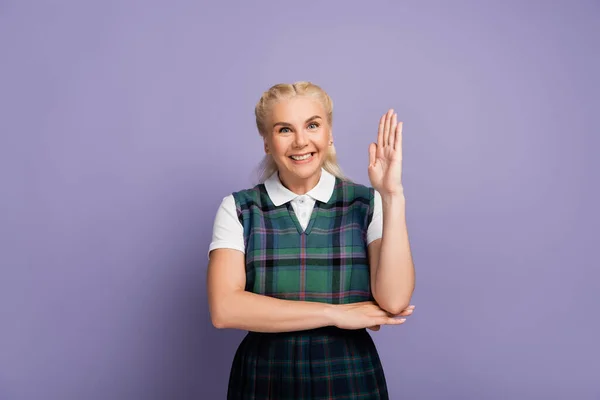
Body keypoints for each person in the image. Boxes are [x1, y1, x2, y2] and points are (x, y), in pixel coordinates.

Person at [207, 81, 416, 399]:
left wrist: (392, 195)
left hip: (349, 380)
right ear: (267, 142)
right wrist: (335, 314)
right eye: (284, 130)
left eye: (313, 125)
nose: (301, 141)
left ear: (329, 134)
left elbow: (395, 300)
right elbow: (225, 309)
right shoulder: (238, 208)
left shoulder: (367, 203)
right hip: (264, 381)